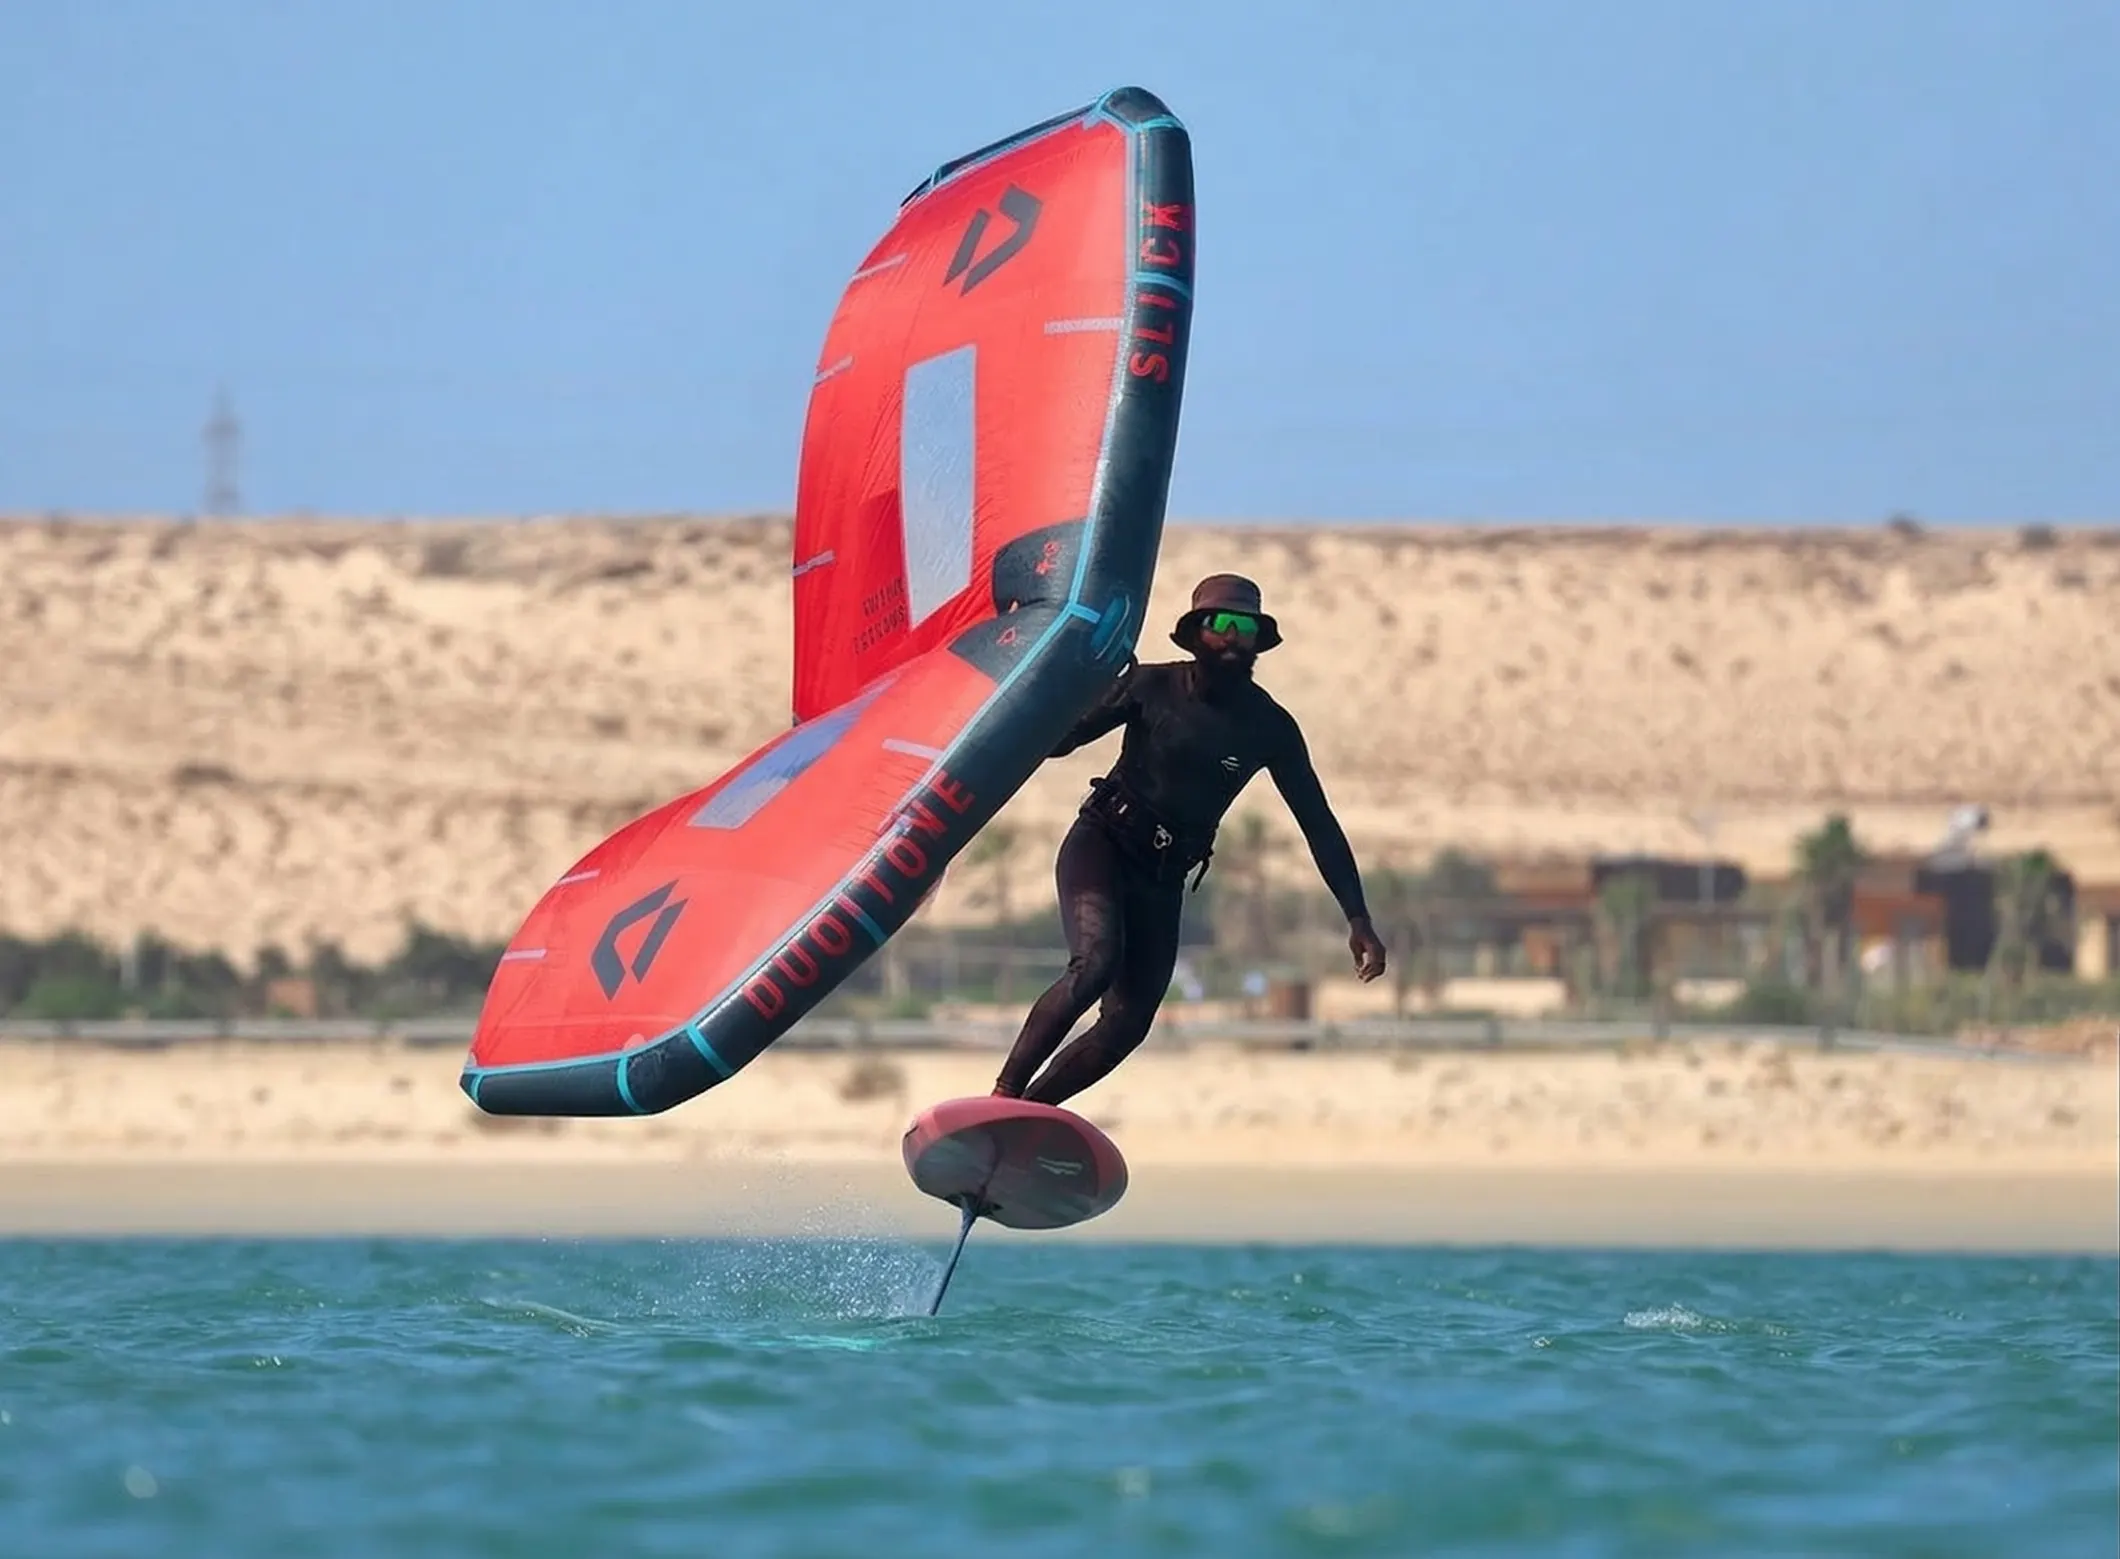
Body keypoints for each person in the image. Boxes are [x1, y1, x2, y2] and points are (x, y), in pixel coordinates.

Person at [991, 573, 1388, 1107]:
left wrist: (1358, 917)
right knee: (1095, 964)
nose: (1233, 636)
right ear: (1197, 632)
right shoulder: (1149, 686)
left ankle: (1026, 1116)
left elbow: (1318, 822)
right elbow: (1058, 743)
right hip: (1103, 843)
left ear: (1259, 640)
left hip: (1162, 878)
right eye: (1221, 623)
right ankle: (1003, 1094)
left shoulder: (1270, 727)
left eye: (1245, 626)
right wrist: (1082, 686)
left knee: (1130, 1022)